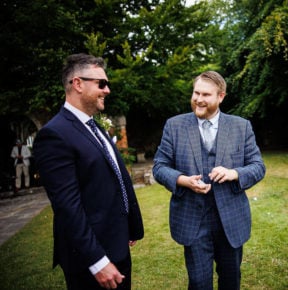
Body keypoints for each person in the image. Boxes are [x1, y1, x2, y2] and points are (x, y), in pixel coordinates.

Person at [33, 53, 144, 290]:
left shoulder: (93, 126)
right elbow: (67, 207)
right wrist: (97, 261)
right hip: (92, 260)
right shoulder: (54, 135)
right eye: (101, 83)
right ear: (78, 84)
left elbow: (112, 178)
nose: (107, 90)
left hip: (116, 245)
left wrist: (128, 226)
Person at [153, 71, 266, 290]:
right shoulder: (174, 126)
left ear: (221, 96)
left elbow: (258, 166)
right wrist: (182, 180)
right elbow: (159, 166)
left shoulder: (241, 126)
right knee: (198, 282)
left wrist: (235, 174)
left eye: (206, 94)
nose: (199, 99)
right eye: (196, 93)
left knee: (230, 280)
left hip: (231, 219)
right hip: (192, 218)